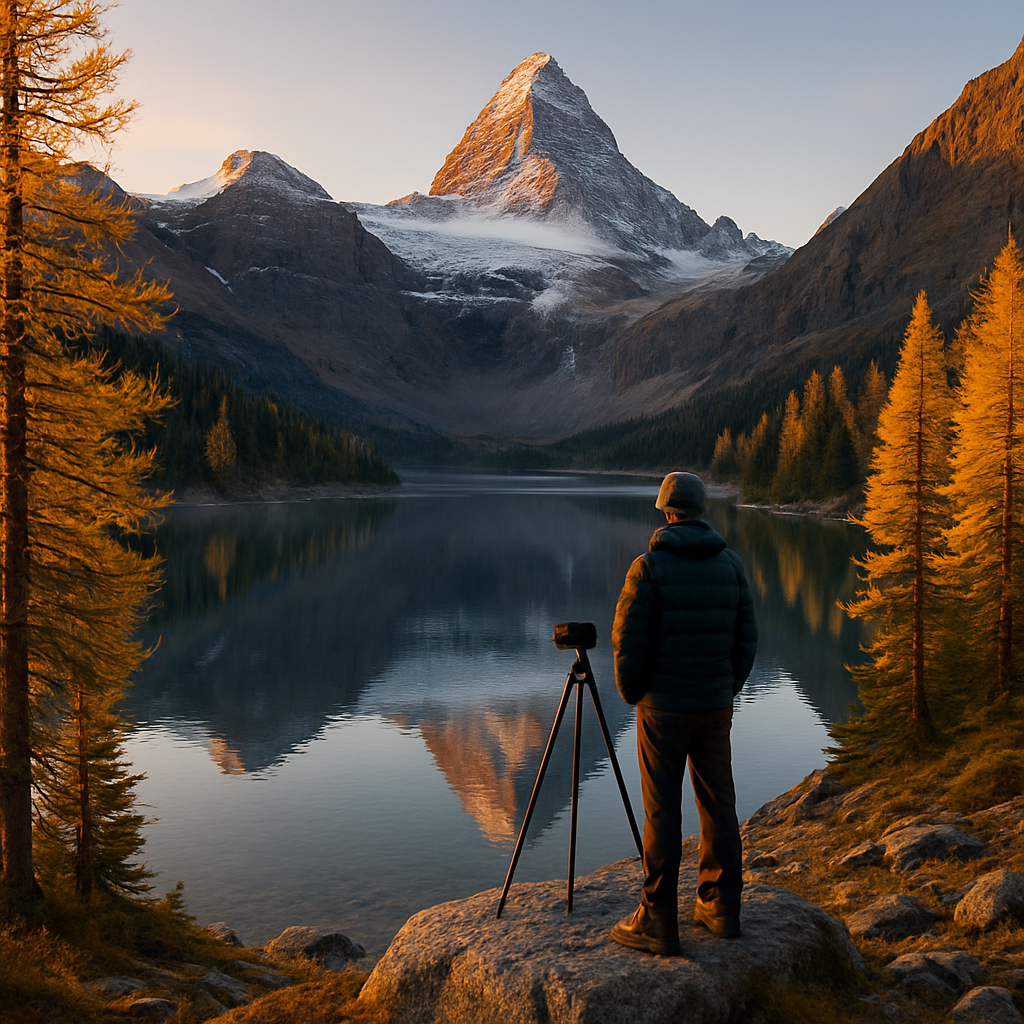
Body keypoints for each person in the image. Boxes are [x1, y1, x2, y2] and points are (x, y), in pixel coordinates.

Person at [609, 471, 757, 956]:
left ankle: (657, 920)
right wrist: (725, 688)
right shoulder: (731, 564)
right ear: (700, 511)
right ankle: (721, 907)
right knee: (719, 803)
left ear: (667, 513)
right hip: (714, 706)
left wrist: (635, 694)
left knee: (662, 809)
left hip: (664, 709)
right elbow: (746, 638)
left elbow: (628, 642)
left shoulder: (648, 568)